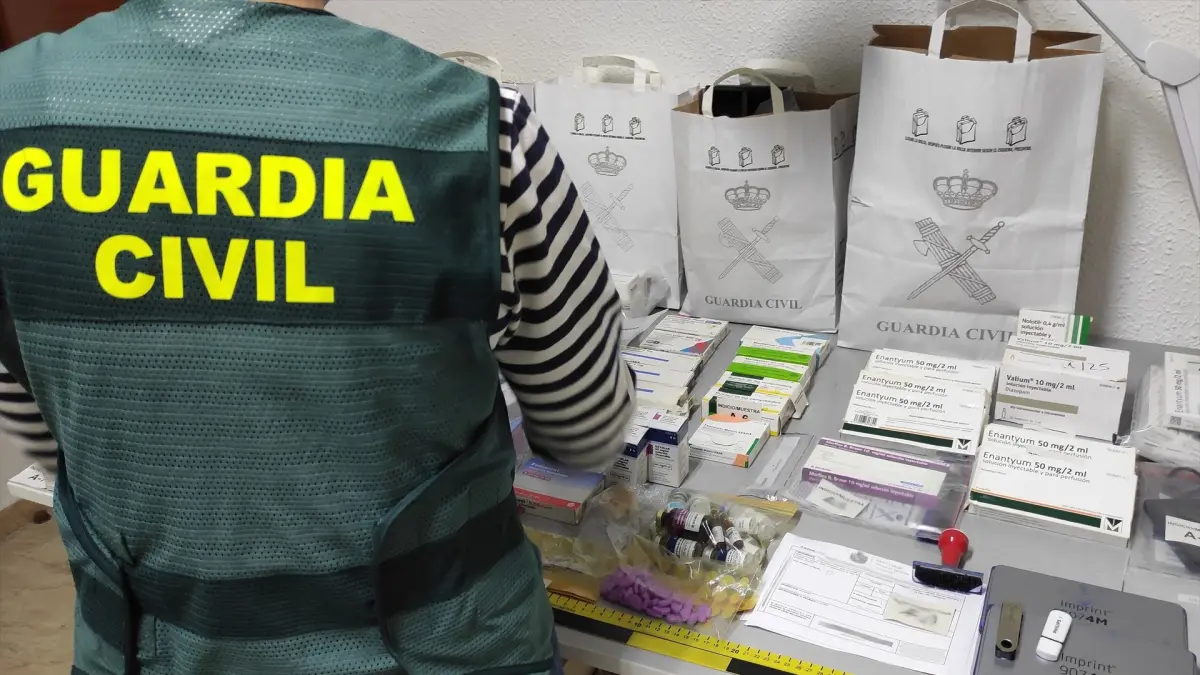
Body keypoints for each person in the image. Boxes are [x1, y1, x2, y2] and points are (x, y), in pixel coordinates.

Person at [0, 1, 637, 673]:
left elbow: (48, 442)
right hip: (442, 651)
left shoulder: (12, 111)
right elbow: (585, 428)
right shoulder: (480, 126)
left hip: (149, 652)